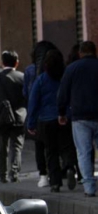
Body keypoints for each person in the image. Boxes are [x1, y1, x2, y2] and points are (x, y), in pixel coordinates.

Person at [27, 49, 77, 192]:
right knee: (67, 147)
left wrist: (31, 123)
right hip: (65, 117)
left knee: (51, 152)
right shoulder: (65, 77)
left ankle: (55, 182)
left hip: (46, 121)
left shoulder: (41, 80)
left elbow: (33, 102)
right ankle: (69, 166)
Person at [57, 41, 98, 197]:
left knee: (83, 152)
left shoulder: (72, 69)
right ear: (95, 51)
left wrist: (61, 113)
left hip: (80, 117)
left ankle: (89, 188)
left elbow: (62, 94)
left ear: (80, 53)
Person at [0, 50, 26, 183]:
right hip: (19, 117)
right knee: (16, 146)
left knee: (2, 147)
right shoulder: (22, 77)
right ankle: (14, 173)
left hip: (2, 117)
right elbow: (27, 97)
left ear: (2, 63)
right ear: (17, 62)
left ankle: (2, 175)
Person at [24, 41, 57, 188]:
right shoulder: (59, 69)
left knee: (40, 146)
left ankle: (43, 175)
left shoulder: (30, 70)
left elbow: (27, 94)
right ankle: (60, 173)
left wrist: (30, 121)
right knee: (55, 147)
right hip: (57, 114)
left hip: (38, 115)